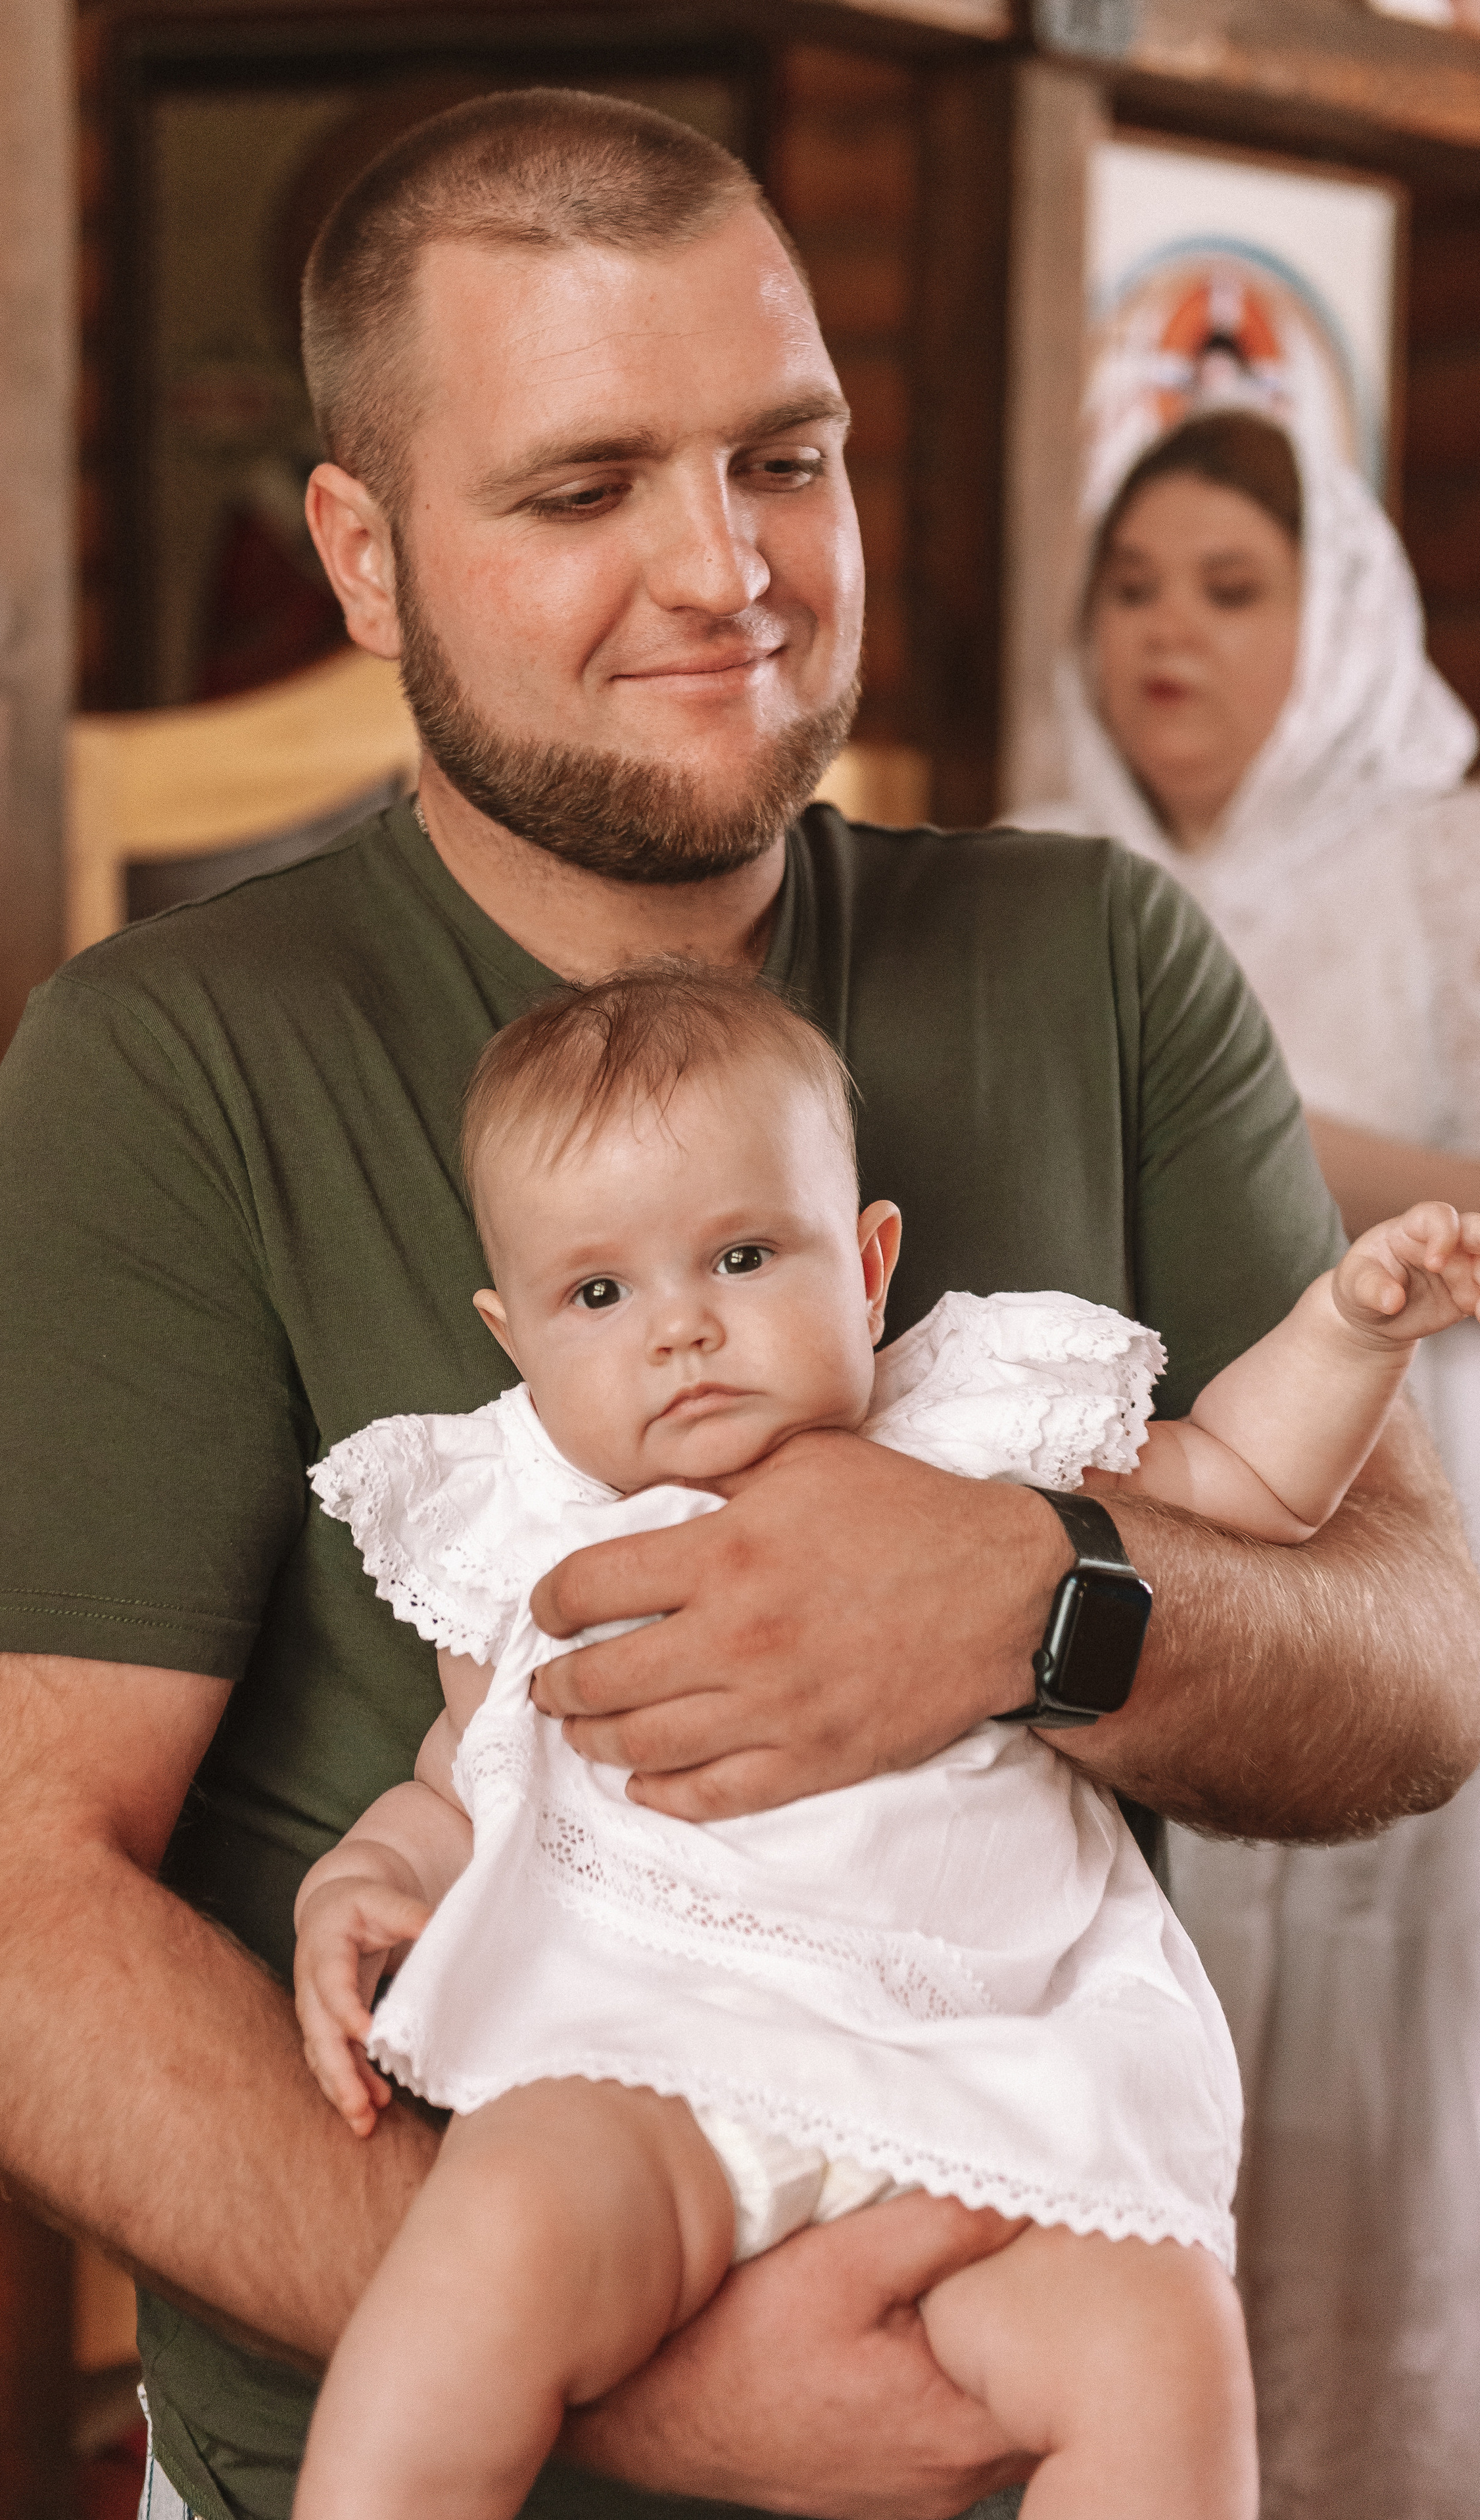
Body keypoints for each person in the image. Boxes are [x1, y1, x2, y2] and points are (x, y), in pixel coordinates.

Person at [0, 92, 1480, 2520]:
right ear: (365, 556)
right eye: (585, 487)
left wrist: (1033, 1597)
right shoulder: (169, 1065)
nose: (725, 568)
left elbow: (1415, 1664)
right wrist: (645, 2378)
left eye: (783, 459)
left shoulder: (1099, 961)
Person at [290, 959, 1480, 2520]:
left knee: (1160, 2357)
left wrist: (1348, 1330)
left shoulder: (969, 1427)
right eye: (598, 1295)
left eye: (740, 1255)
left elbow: (1249, 1487)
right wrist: (374, 1875)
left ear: (864, 1269)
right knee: (473, 2275)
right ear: (513, 1340)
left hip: (993, 2065)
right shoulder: (516, 1515)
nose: (681, 1329)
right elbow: (470, 1770)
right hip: (647, 2062)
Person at [1011, 405, 1480, 2519]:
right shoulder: (1033, 870)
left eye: (1230, 589)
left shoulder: (1444, 868)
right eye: (1131, 589)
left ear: (1344, 623)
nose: (1167, 634)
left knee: (1380, 1958)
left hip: (1404, 1496)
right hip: (1116, 1513)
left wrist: (1232, 1116)